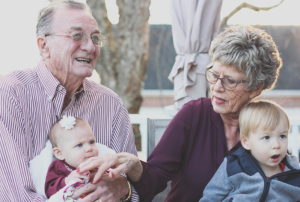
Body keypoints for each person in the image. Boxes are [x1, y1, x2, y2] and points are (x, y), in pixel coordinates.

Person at [77, 25, 284, 202]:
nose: (216, 87)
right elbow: (155, 178)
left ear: (256, 88)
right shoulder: (194, 114)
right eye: (213, 74)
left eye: (229, 81)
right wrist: (134, 165)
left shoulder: (269, 126)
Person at [0, 1, 139, 201]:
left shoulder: (111, 104)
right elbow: (14, 196)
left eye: (95, 38)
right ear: (43, 45)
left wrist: (123, 188)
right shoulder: (9, 95)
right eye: (77, 36)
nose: (90, 46)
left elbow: (132, 187)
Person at [200, 101, 300, 202]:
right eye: (266, 138)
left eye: (282, 136)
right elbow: (210, 198)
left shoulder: (294, 174)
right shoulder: (233, 167)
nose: (276, 145)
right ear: (246, 142)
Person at [45, 116, 99, 199]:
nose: (89, 148)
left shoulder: (98, 164)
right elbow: (49, 191)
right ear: (59, 153)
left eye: (92, 142)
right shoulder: (59, 167)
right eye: (79, 145)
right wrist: (66, 181)